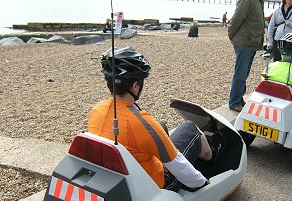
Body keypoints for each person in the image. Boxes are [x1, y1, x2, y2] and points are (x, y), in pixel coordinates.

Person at [88, 47, 224, 192]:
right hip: (156, 185)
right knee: (191, 128)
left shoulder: (97, 110)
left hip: (123, 177)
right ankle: (212, 157)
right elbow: (177, 164)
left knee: (160, 127)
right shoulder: (141, 123)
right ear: (135, 86)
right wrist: (202, 183)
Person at [227, 0, 265, 112]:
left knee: (244, 73)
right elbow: (238, 17)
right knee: (241, 73)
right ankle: (234, 102)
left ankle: (239, 98)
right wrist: (231, 34)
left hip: (251, 41)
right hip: (244, 41)